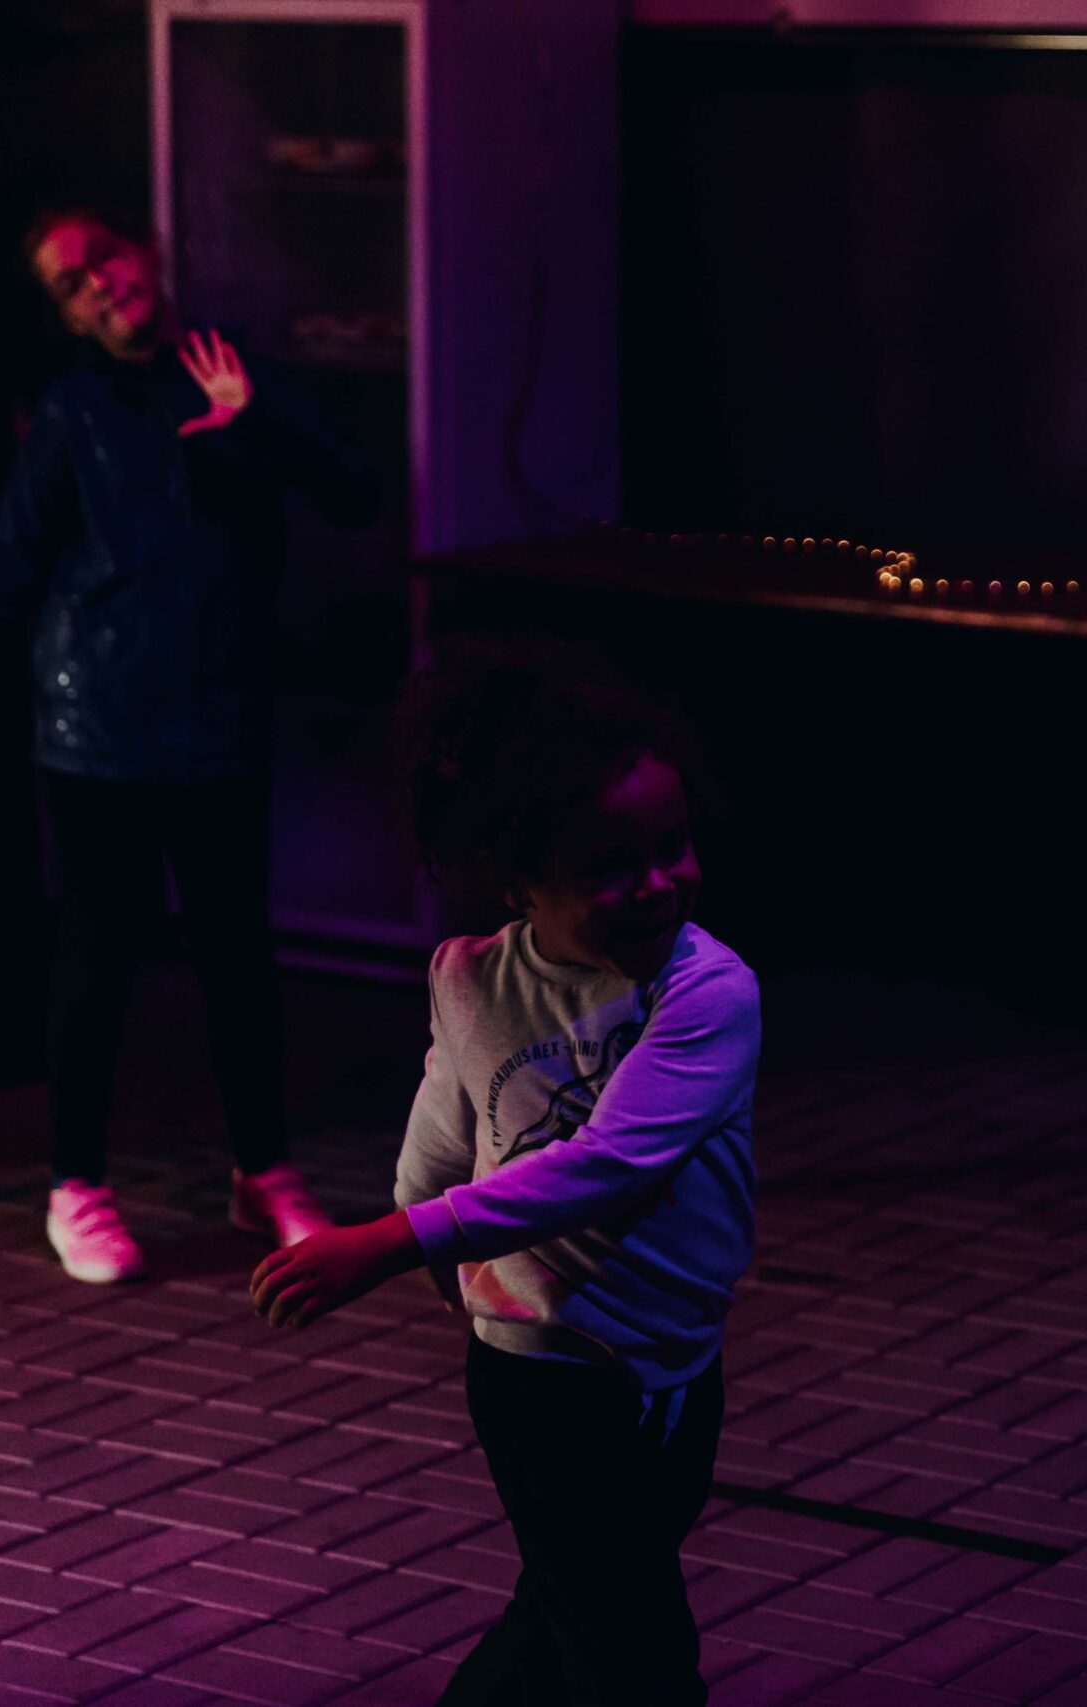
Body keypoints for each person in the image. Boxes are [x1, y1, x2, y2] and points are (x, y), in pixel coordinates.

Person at [0, 207, 379, 1283]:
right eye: (70, 283)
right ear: (68, 316)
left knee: (235, 951)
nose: (97, 282)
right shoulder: (72, 412)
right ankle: (77, 1187)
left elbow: (356, 494)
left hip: (220, 715)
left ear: (144, 252)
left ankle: (263, 1172)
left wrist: (245, 431)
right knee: (96, 952)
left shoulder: (240, 373)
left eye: (103, 257)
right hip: (97, 722)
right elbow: (10, 566)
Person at [250, 642, 759, 1707]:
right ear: (520, 879)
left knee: (571, 1604)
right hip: (540, 1374)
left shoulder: (706, 995)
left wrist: (395, 1243)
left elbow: (610, 1163)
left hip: (678, 1361)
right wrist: (434, 1247)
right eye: (609, 866)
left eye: (673, 846)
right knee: (630, 1649)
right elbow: (439, 1139)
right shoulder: (472, 979)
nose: (657, 883)